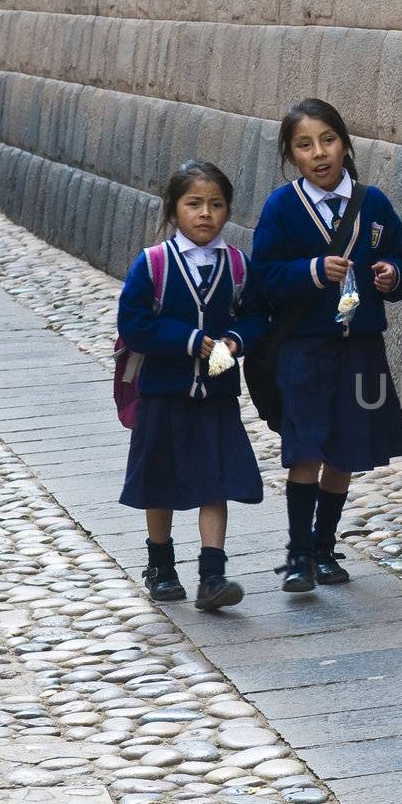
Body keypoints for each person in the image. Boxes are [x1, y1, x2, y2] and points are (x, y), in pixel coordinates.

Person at [251, 99, 402, 592]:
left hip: (359, 348)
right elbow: (263, 277)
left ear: (345, 144)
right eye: (305, 145)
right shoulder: (283, 208)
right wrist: (310, 271)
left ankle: (325, 548)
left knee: (344, 451)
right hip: (304, 349)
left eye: (328, 140)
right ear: (291, 156)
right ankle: (298, 554)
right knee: (305, 450)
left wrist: (393, 276)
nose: (319, 153)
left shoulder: (375, 204)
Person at [117, 160, 266, 610]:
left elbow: (258, 316)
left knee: (213, 481)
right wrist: (189, 341)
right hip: (163, 393)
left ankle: (212, 576)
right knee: (159, 480)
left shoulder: (237, 266)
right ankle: (161, 565)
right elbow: (134, 324)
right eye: (194, 204)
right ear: (173, 209)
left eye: (216, 205)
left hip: (216, 398)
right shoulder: (154, 264)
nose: (206, 214)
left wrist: (236, 340)